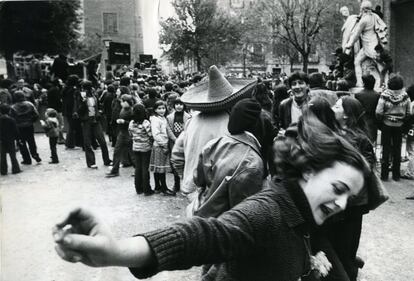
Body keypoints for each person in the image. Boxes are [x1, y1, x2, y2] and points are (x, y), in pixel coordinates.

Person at [53, 113, 372, 281]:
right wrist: (119, 251)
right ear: (308, 171)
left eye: (350, 197)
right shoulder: (267, 212)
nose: (343, 205)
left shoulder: (303, 218)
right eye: (339, 189)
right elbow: (203, 235)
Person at [171, 65, 256, 197]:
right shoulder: (232, 125)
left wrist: (185, 176)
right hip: (217, 195)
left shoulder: (191, 121)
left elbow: (176, 155)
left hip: (192, 192)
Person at [189, 98, 264, 219]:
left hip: (201, 215)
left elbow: (199, 180)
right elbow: (244, 212)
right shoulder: (252, 163)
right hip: (223, 226)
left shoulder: (212, 144)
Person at [376, 74, 411, 181]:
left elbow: (378, 111)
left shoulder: (384, 95)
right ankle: (396, 175)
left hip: (386, 125)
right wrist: (402, 120)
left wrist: (381, 121)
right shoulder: (405, 96)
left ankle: (384, 175)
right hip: (399, 126)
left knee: (385, 149)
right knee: (397, 149)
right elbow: (409, 112)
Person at [344, 1, 386, 87]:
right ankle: (360, 82)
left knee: (379, 64)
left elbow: (356, 34)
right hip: (371, 44)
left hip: (370, 45)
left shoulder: (364, 20)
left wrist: (349, 44)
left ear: (363, 9)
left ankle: (384, 82)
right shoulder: (374, 16)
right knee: (358, 62)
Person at [76, 80, 112, 169]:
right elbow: (79, 110)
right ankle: (91, 162)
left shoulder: (94, 95)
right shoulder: (79, 97)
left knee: (102, 141)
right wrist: (84, 103)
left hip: (95, 120)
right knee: (87, 142)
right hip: (86, 120)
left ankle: (106, 160)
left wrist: (100, 112)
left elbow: (99, 106)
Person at [149, 100, 175, 196]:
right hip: (160, 145)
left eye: (163, 108)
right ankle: (164, 188)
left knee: (158, 168)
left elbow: (168, 130)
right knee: (161, 169)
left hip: (161, 144)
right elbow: (155, 134)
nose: (162, 110)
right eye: (159, 108)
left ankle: (157, 186)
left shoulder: (163, 118)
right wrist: (163, 145)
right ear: (155, 110)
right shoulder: (156, 120)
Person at [166, 98, 191, 192]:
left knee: (186, 162)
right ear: (174, 106)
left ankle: (186, 184)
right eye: (177, 104)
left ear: (184, 106)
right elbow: (168, 129)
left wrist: (182, 139)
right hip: (174, 142)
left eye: (181, 104)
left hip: (185, 141)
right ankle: (176, 185)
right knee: (175, 163)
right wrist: (176, 139)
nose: (179, 106)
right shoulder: (169, 117)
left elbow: (188, 129)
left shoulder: (188, 117)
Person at [129, 103, 154, 196]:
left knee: (138, 168)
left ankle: (138, 189)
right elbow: (150, 135)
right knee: (145, 168)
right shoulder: (146, 123)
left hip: (135, 147)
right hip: (146, 148)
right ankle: (147, 189)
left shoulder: (131, 123)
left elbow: (130, 134)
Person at [11, 90, 41, 165]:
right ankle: (35, 154)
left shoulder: (13, 107)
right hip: (29, 126)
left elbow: (12, 118)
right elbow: (36, 115)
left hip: (19, 127)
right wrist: (31, 121)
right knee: (31, 141)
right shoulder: (29, 104)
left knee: (21, 143)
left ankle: (26, 159)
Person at [355, 74, 380, 143]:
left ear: (364, 83)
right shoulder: (377, 95)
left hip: (361, 120)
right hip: (373, 121)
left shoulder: (358, 95)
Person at [0, 104, 21, 175]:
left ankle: (3, 170)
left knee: (2, 156)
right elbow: (16, 131)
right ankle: (15, 169)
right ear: (9, 111)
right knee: (13, 155)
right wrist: (18, 140)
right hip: (10, 139)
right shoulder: (12, 120)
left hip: (2, 140)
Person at [402, 84, 414, 182]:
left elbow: (409, 115)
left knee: (411, 151)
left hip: (413, 129)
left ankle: (410, 172)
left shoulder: (413, 104)